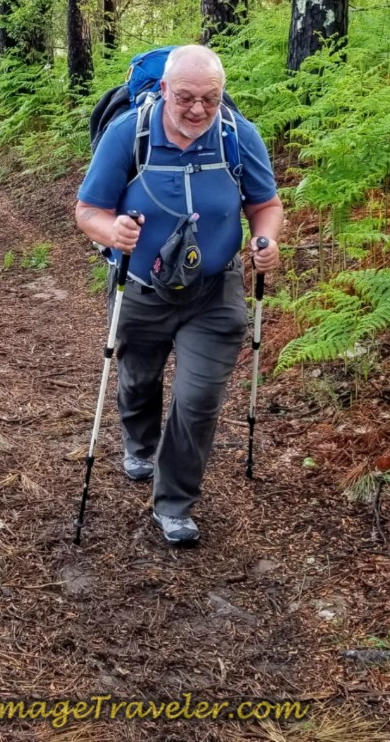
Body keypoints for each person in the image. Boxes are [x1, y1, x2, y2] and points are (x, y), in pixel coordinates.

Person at [74, 45, 282, 545]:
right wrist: (113, 231)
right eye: (186, 97)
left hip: (214, 291)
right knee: (138, 378)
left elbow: (266, 204)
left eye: (210, 99)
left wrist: (267, 240)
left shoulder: (237, 135)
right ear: (164, 90)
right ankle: (139, 445)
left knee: (198, 400)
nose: (198, 110)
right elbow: (88, 210)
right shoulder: (130, 134)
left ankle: (174, 504)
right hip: (142, 288)